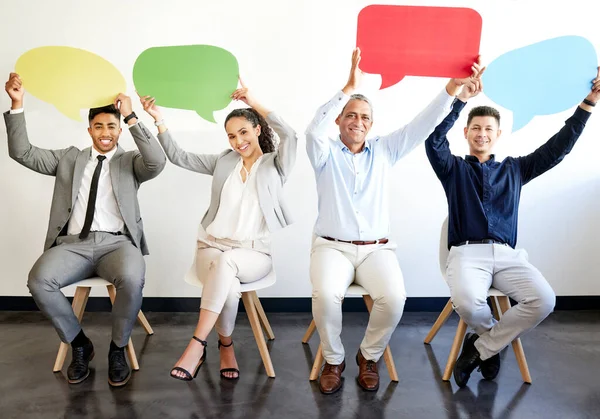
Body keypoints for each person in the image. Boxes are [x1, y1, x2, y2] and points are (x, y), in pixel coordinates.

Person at [305, 48, 480, 394]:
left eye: (365, 117)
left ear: (371, 124)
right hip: (331, 248)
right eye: (350, 115)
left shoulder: (385, 150)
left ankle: (368, 356)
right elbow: (312, 130)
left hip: (376, 250)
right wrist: (348, 87)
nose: (358, 122)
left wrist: (451, 89)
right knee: (326, 294)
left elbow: (422, 124)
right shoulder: (323, 153)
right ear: (339, 120)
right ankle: (334, 359)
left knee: (396, 297)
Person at [424, 66, 600, 387]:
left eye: (488, 129)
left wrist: (588, 103)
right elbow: (434, 141)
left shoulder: (515, 169)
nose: (481, 134)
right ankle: (491, 346)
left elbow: (558, 147)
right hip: (466, 254)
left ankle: (482, 348)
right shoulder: (454, 169)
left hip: (508, 257)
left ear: (497, 134)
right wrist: (460, 102)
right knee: (466, 301)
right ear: (466, 133)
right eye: (475, 128)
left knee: (544, 300)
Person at [4, 73, 166, 386]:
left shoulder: (131, 161)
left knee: (132, 278)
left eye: (112, 126)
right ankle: (80, 344)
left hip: (117, 246)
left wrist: (132, 116)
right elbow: (21, 152)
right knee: (39, 281)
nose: (105, 133)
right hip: (72, 245)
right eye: (99, 126)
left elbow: (157, 162)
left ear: (120, 130)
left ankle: (118, 348)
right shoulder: (68, 159)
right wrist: (17, 103)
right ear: (89, 129)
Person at [138, 81, 297, 381]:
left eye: (244, 133)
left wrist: (253, 100)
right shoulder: (225, 161)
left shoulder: (276, 165)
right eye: (232, 136)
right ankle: (225, 345)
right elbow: (179, 157)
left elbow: (291, 134)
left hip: (254, 253)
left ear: (258, 130)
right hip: (210, 246)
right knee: (230, 286)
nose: (239, 142)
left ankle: (196, 345)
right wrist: (158, 119)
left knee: (228, 265)